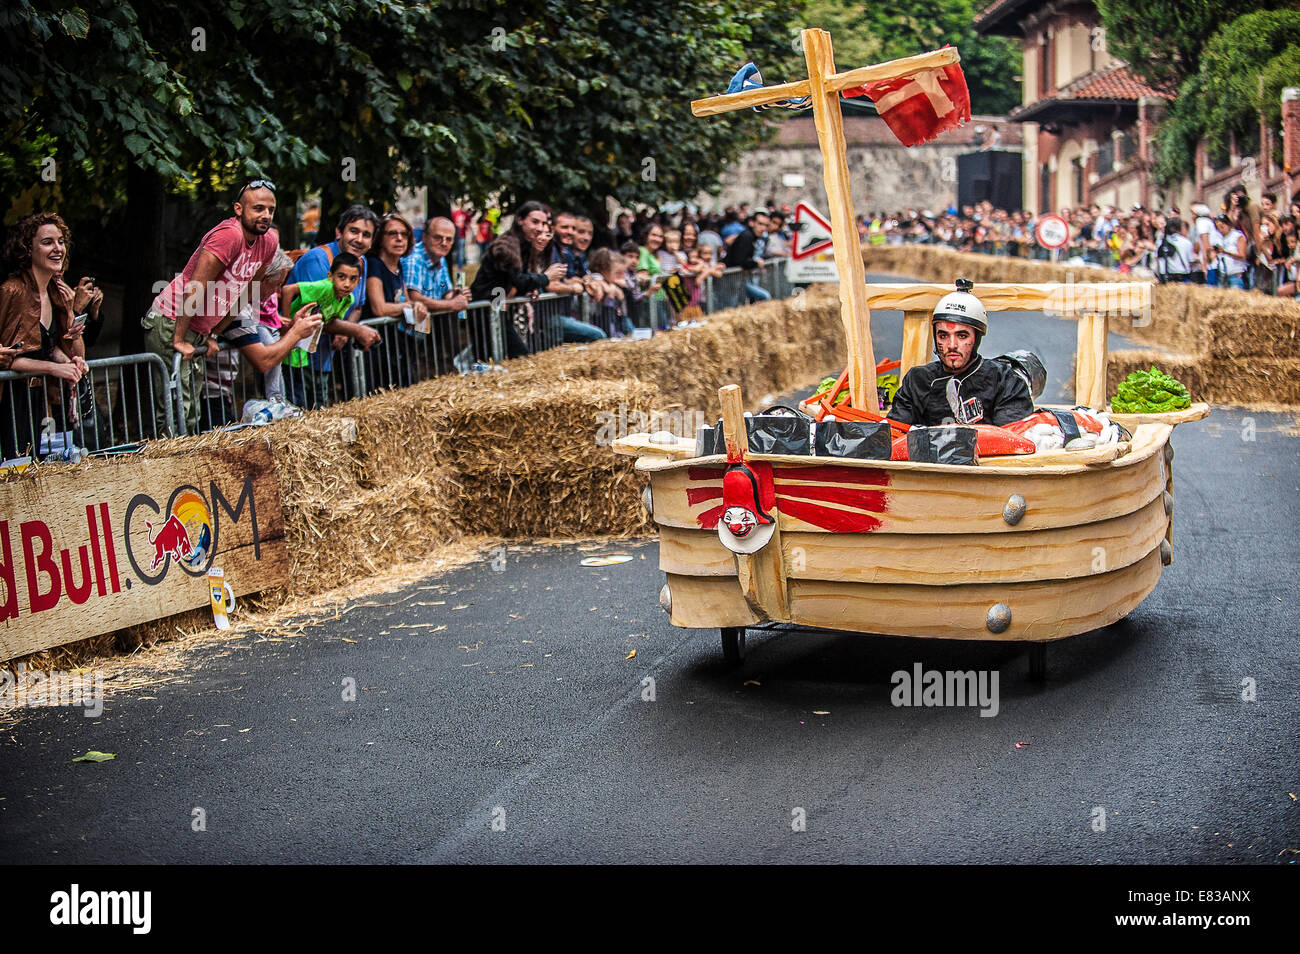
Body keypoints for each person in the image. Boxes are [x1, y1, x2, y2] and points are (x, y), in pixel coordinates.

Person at [142, 179, 279, 435]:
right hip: (172, 319)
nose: (265, 215)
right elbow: (196, 286)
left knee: (192, 408)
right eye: (258, 208)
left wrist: (214, 332)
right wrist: (180, 338)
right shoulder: (230, 235)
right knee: (176, 409)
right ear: (238, 209)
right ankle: (170, 470)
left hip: (197, 328)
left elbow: (246, 292)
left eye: (270, 210)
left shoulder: (268, 242)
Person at [887, 279, 1034, 428]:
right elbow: (894, 432)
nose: (952, 345)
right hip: (926, 450)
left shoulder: (1005, 381)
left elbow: (1011, 438)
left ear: (976, 338)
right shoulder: (918, 380)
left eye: (962, 336)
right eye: (943, 336)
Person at [0, 212, 87, 460]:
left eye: (60, 241)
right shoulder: (12, 291)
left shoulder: (56, 292)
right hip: (12, 401)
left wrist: (68, 363)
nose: (57, 248)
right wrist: (53, 368)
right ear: (27, 249)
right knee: (16, 470)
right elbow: (10, 357)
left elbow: (53, 347)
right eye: (47, 242)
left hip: (40, 398)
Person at [284, 204, 382, 392]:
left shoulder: (362, 262)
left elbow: (358, 306)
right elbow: (314, 316)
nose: (359, 239)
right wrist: (357, 330)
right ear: (339, 232)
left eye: (366, 235)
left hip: (323, 358)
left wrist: (345, 331)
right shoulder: (318, 259)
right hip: (294, 357)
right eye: (353, 231)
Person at [469, 200, 567, 359]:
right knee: (491, 358)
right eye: (534, 222)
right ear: (520, 220)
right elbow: (518, 279)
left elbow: (514, 281)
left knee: (515, 356)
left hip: (497, 307)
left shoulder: (524, 246)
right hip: (484, 309)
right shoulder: (506, 245)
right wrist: (545, 277)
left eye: (543, 223)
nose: (539, 228)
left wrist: (529, 289)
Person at [279, 253, 366, 409]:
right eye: (341, 277)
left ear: (359, 281)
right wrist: (286, 323)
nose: (347, 284)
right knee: (294, 396)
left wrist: (342, 331)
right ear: (330, 276)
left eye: (353, 279)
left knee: (306, 397)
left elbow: (331, 321)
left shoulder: (348, 299)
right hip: (289, 342)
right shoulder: (323, 287)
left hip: (304, 347)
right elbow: (287, 290)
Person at [403, 216, 472, 372]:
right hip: (410, 334)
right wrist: (452, 304)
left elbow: (445, 292)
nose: (444, 243)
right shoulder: (414, 259)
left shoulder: (441, 259)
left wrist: (457, 294)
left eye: (449, 239)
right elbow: (414, 298)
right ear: (426, 237)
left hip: (430, 331)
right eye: (438, 238)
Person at [723, 210, 772, 305]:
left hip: (737, 279)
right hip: (731, 280)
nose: (763, 228)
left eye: (766, 225)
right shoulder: (747, 236)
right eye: (760, 224)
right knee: (764, 296)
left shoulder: (752, 236)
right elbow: (739, 260)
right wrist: (756, 263)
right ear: (752, 223)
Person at [1213, 215, 1249, 290]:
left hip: (1236, 273)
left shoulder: (1237, 236)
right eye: (1217, 228)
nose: (1220, 230)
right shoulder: (1219, 238)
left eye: (1222, 227)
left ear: (1228, 224)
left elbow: (1242, 256)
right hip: (1223, 274)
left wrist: (1226, 252)